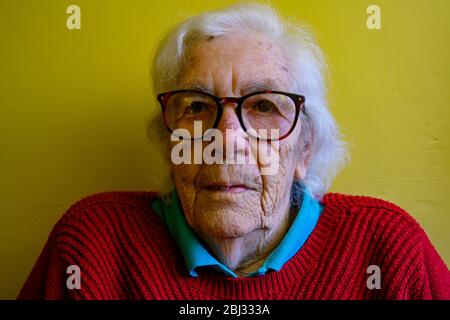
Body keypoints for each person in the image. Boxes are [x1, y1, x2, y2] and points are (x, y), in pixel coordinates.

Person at [18, 3, 449, 299]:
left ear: (305, 149)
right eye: (198, 106)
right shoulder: (92, 246)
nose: (226, 138)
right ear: (171, 143)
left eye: (263, 106)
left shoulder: (388, 251)